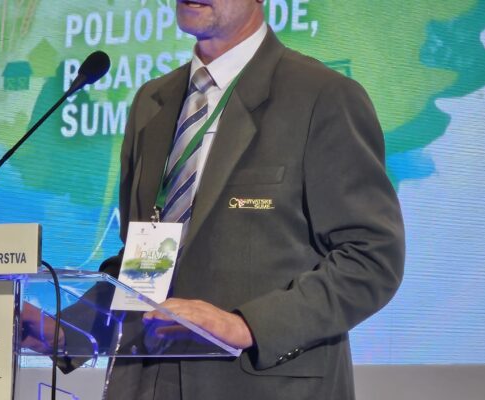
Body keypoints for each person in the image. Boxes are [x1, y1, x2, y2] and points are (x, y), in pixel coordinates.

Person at [101, 0, 405, 398]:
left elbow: (373, 258)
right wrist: (69, 326)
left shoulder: (323, 95)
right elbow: (146, 254)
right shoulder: (151, 101)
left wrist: (247, 325)